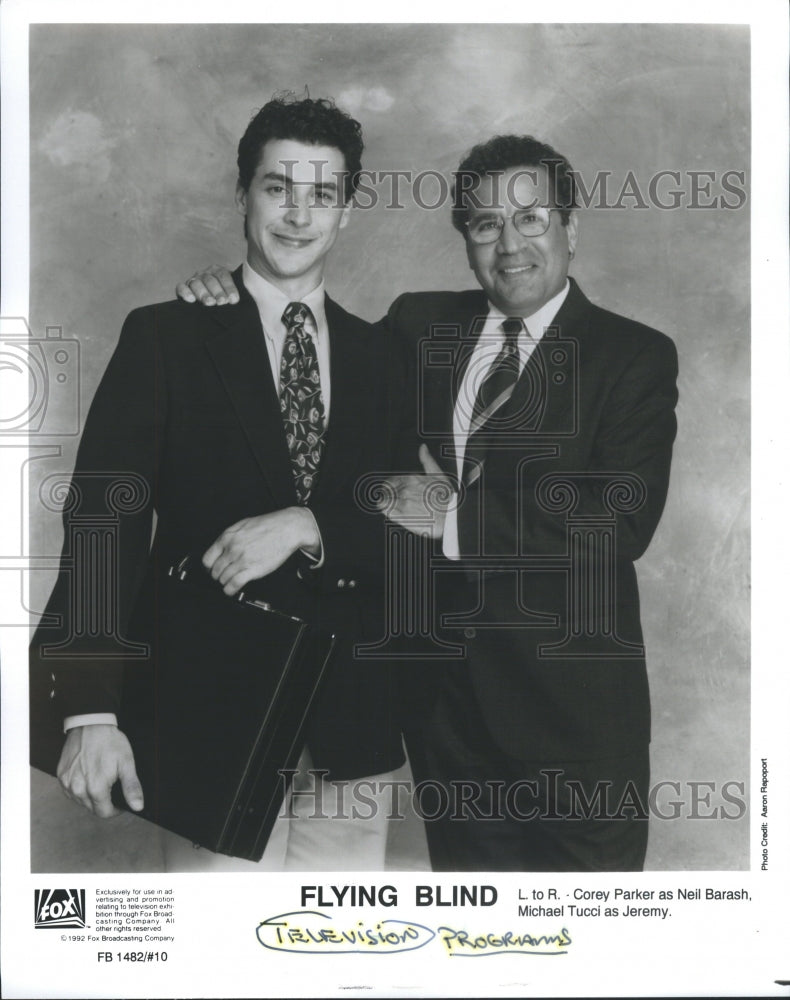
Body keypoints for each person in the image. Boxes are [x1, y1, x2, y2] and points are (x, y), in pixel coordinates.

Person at [176, 132, 679, 872]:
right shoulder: (419, 327)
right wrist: (234, 296)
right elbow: (307, 376)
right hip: (445, 729)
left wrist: (448, 516)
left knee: (584, 955)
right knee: (477, 951)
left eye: (532, 219)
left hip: (575, 733)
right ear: (466, 239)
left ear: (571, 227)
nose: (509, 246)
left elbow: (617, 518)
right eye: (484, 225)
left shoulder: (633, 356)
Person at [30, 94, 411, 871]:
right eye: (278, 188)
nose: (299, 216)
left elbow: (415, 522)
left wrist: (312, 524)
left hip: (354, 736)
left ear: (348, 213)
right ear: (243, 195)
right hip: (210, 719)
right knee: (222, 970)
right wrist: (90, 709)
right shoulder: (167, 336)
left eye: (323, 195)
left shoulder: (385, 358)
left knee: (340, 970)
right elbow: (106, 519)